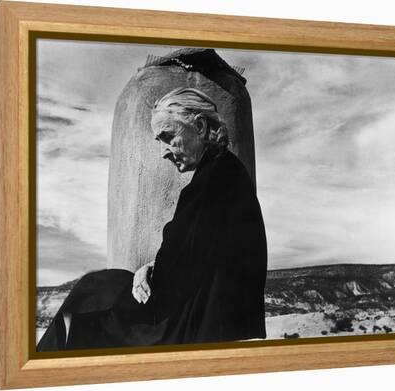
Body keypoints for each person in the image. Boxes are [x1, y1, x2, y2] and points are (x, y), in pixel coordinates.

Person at [37, 87, 267, 351]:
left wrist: (149, 271)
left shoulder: (212, 183)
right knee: (99, 287)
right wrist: (153, 266)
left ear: (201, 127)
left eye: (169, 137)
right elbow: (190, 255)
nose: (164, 152)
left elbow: (173, 276)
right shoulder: (226, 173)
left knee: (89, 295)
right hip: (207, 316)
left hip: (194, 326)